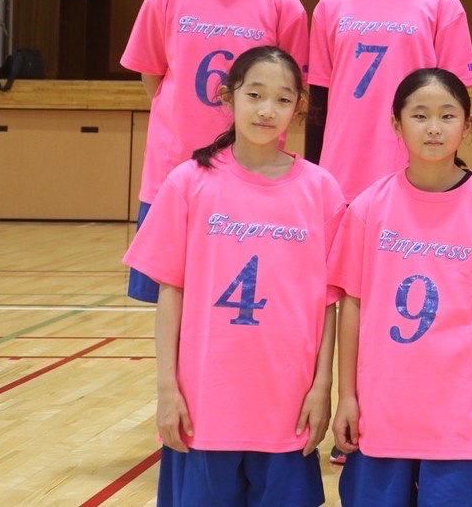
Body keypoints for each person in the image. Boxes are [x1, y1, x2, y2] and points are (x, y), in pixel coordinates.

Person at [122, 46, 343, 507]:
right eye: (255, 94)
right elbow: (171, 293)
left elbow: (329, 303)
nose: (267, 110)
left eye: (283, 99)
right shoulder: (189, 182)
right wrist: (167, 390)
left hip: (287, 406)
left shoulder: (320, 189)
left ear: (299, 106)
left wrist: (323, 387)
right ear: (228, 97)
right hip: (205, 407)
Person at [329, 68, 472, 506]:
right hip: (381, 411)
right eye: (420, 115)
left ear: (468, 125)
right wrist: (346, 395)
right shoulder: (368, 207)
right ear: (396, 124)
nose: (434, 128)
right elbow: (353, 307)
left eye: (447, 115)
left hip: (457, 414)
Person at [123, 0, 309, 303]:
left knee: (235, 297)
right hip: (174, 168)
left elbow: (291, 89)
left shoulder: (282, 3)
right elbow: (153, 74)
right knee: (171, 295)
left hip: (252, 169)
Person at [307, 0, 472, 203]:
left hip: (416, 173)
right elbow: (319, 99)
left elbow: (454, 103)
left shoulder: (443, 5)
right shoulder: (330, 6)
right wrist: (312, 171)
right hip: (341, 170)